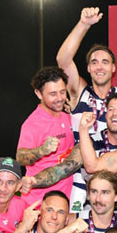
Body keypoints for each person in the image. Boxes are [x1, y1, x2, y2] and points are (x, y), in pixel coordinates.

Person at [57, 6, 117, 129]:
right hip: (80, 149)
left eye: (105, 62)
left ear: (113, 68)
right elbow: (63, 60)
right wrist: (83, 24)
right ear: (89, 68)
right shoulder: (79, 92)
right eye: (94, 63)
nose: (99, 67)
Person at [16, 67, 76, 202]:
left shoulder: (68, 117)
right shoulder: (32, 124)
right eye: (53, 94)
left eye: (62, 92)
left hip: (67, 201)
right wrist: (41, 150)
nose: (60, 98)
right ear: (38, 93)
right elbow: (21, 157)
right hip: (40, 203)